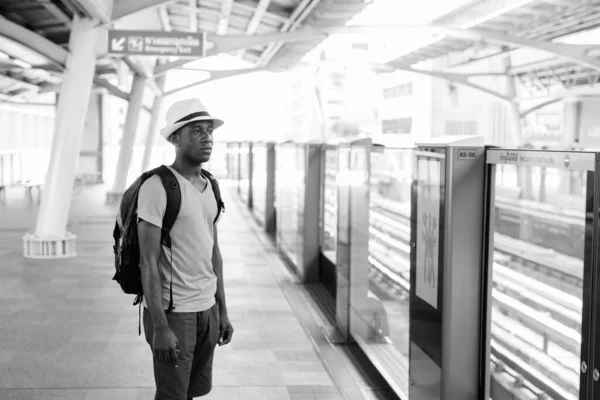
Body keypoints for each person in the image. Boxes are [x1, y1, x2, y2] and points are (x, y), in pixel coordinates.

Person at [137, 98, 234, 400]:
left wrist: (223, 311)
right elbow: (147, 262)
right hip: (174, 312)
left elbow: (213, 252)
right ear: (176, 138)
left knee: (192, 391)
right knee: (171, 395)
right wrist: (162, 327)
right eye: (196, 131)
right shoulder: (157, 187)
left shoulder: (211, 185)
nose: (207, 138)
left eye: (209, 131)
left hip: (208, 309)